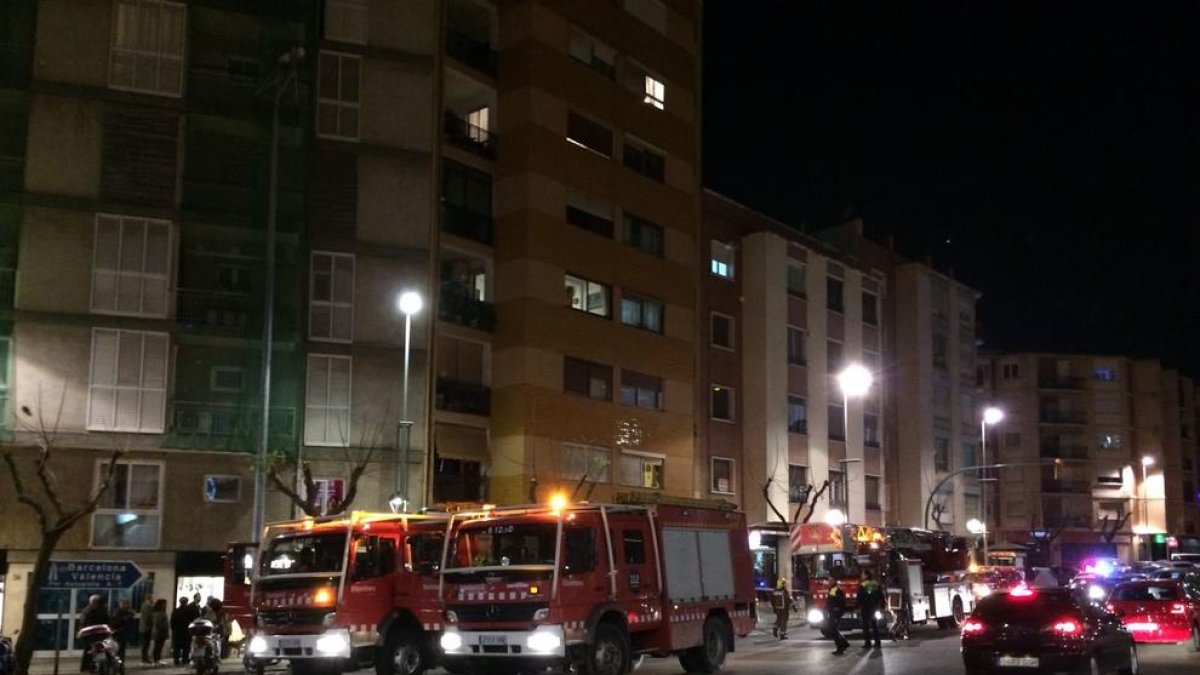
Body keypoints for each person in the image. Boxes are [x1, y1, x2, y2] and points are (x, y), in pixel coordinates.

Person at [79, 595, 111, 673]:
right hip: (90, 634)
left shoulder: (101, 610)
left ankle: (99, 667)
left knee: (101, 649)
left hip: (99, 634)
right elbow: (84, 624)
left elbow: (106, 620)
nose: (97, 604)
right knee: (90, 650)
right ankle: (88, 667)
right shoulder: (87, 611)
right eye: (95, 602)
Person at [857, 571, 884, 649]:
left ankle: (868, 643)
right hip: (874, 607)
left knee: (866, 626)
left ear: (866, 575)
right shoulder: (875, 584)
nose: (861, 576)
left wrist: (857, 605)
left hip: (865, 608)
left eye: (862, 574)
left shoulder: (863, 585)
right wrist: (882, 604)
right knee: (875, 625)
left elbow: (860, 597)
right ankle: (877, 642)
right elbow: (880, 595)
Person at [824, 583, 851, 655]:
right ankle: (844, 644)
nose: (829, 581)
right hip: (833, 612)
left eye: (831, 580)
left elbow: (839, 602)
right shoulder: (833, 589)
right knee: (833, 629)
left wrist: (836, 610)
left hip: (835, 613)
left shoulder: (836, 590)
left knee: (833, 629)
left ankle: (840, 648)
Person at [170, 598, 192, 665]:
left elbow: (172, 622)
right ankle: (184, 660)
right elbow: (190, 621)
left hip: (177, 632)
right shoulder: (188, 611)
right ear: (186, 602)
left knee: (176, 647)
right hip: (186, 632)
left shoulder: (176, 611)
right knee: (186, 647)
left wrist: (174, 629)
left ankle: (176, 660)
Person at [150, 599, 169, 666]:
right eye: (164, 604)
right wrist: (164, 629)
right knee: (158, 647)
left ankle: (157, 659)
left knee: (159, 647)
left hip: (160, 632)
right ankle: (156, 660)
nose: (165, 605)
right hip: (159, 632)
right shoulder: (158, 613)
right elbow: (158, 623)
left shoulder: (159, 612)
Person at [138, 598, 154, 664]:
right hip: (147, 628)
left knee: (145, 643)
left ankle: (144, 658)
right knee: (146, 644)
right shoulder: (148, 607)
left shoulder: (143, 606)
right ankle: (145, 658)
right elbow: (148, 617)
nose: (153, 600)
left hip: (143, 627)